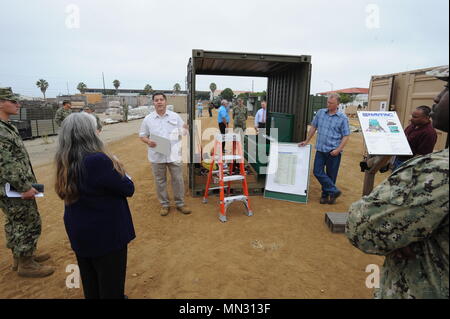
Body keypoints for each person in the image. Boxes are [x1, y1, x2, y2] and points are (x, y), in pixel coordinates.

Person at [345, 66, 449, 299]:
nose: (437, 97)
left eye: (447, 88)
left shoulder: (437, 170)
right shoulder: (414, 130)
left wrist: (400, 233)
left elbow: (362, 226)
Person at [55, 112, 135, 299]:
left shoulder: (65, 159)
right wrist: (117, 165)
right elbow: (128, 188)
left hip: (80, 231)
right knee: (111, 285)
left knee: (90, 279)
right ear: (89, 133)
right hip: (105, 233)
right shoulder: (97, 160)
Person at [0, 87, 54, 278]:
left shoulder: (7, 126)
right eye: (13, 101)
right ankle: (26, 264)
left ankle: (21, 257)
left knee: (15, 221)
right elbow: (6, 164)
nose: (18, 104)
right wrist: (24, 187)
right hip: (13, 186)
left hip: (12, 186)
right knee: (27, 220)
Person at [139, 93, 191, 217]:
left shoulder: (175, 116)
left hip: (174, 153)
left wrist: (185, 130)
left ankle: (180, 203)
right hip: (157, 155)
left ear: (165, 101)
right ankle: (164, 204)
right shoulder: (148, 119)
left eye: (161, 99)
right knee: (160, 181)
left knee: (177, 180)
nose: (159, 102)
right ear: (153, 103)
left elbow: (184, 131)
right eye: (156, 100)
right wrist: (148, 141)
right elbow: (142, 135)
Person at [298, 93, 350, 204]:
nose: (328, 104)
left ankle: (326, 196)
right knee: (317, 171)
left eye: (331, 103)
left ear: (338, 104)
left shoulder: (342, 118)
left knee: (331, 175)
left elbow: (346, 136)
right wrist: (307, 141)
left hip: (334, 151)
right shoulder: (321, 113)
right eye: (328, 102)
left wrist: (338, 149)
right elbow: (313, 127)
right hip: (321, 150)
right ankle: (334, 191)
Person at [392, 105, 437, 170]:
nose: (411, 119)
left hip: (408, 165)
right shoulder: (413, 125)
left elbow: (421, 156)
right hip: (398, 160)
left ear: (427, 118)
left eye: (415, 117)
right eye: (412, 116)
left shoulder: (429, 133)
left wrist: (407, 168)